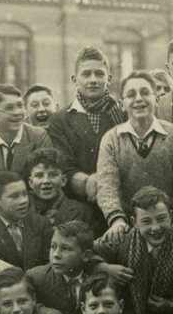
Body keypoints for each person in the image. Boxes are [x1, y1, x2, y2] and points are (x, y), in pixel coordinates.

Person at [96, 71, 173, 248]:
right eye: (131, 95)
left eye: (145, 92)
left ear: (156, 99)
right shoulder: (111, 139)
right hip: (129, 225)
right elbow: (107, 185)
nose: (139, 99)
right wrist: (117, 219)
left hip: (170, 223)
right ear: (122, 104)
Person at [94, 186, 173, 314]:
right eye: (146, 221)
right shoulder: (121, 240)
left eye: (161, 218)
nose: (155, 228)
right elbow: (86, 256)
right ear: (134, 222)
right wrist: (104, 268)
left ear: (171, 215)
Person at [47, 46, 126, 206]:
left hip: (119, 201)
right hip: (77, 205)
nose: (93, 80)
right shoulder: (59, 119)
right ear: (75, 79)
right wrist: (87, 183)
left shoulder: (122, 115)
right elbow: (64, 165)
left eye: (99, 74)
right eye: (86, 74)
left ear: (109, 79)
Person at [0, 84, 53, 209]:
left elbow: (44, 185)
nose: (18, 112)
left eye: (20, 106)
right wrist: (1, 213)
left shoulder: (38, 137)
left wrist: (18, 209)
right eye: (9, 108)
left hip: (32, 211)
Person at [27, 220, 100, 314]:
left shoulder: (99, 278)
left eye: (66, 248)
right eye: (53, 247)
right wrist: (40, 310)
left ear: (86, 255)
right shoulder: (37, 277)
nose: (56, 255)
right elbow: (18, 300)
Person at [27, 148, 98, 230]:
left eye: (53, 175)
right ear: (30, 182)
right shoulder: (22, 209)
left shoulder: (83, 212)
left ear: (63, 180)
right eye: (39, 175)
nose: (46, 181)